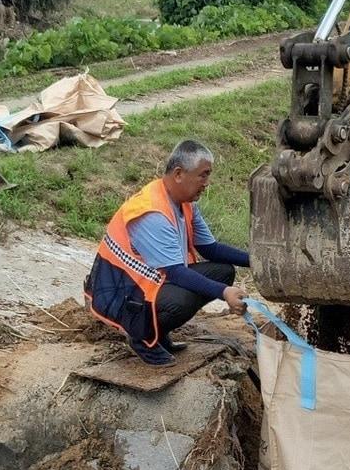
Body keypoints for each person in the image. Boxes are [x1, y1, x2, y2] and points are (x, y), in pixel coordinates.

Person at [84, 139, 250, 365]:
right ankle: (142, 337)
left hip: (144, 286)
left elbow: (209, 248)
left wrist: (256, 261)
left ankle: (158, 333)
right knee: (181, 300)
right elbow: (175, 273)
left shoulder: (185, 203)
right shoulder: (151, 211)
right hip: (120, 296)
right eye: (203, 175)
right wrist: (224, 293)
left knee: (222, 271)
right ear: (179, 173)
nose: (207, 183)